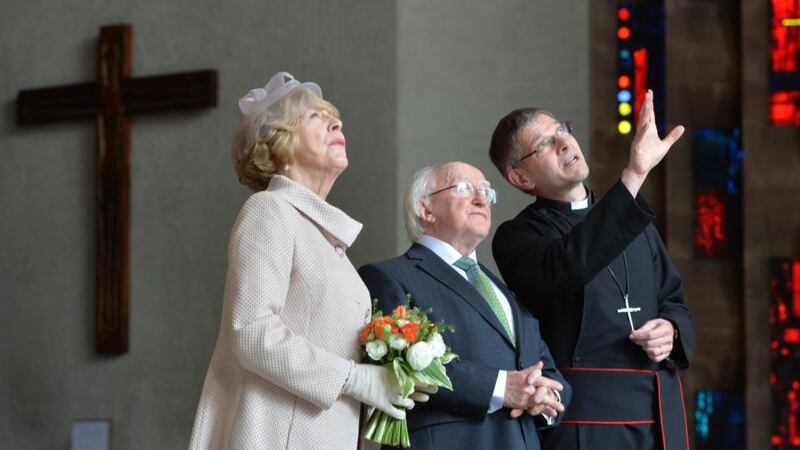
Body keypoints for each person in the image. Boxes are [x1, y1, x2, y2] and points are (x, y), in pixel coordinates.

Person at [189, 72, 432, 450]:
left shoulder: (323, 238)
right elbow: (251, 331)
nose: (337, 122)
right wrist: (354, 379)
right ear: (279, 142)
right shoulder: (268, 210)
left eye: (333, 116)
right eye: (315, 116)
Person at [489, 90, 695, 450]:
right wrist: (633, 176)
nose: (565, 142)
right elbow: (567, 266)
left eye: (562, 130)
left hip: (659, 414)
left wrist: (672, 330)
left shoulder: (634, 221)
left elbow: (673, 297)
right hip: (587, 423)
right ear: (521, 178)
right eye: (545, 143)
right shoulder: (517, 237)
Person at [359, 161, 571, 450]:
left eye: (486, 192)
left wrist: (549, 397)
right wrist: (502, 388)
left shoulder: (501, 289)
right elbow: (410, 369)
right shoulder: (389, 276)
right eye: (464, 188)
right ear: (426, 209)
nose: (481, 199)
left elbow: (542, 364)